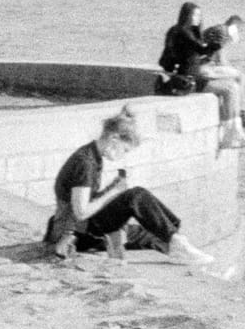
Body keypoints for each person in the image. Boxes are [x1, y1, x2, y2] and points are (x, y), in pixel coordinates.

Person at [45, 108, 213, 267]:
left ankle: (177, 245)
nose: (122, 156)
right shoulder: (85, 163)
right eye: (124, 150)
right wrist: (114, 191)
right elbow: (80, 212)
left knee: (151, 233)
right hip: (75, 234)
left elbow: (85, 202)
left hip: (81, 227)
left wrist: (111, 189)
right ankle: (178, 244)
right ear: (114, 139)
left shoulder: (92, 156)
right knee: (136, 196)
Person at [194, 13, 245, 149]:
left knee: (233, 77)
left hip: (203, 65)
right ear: (234, 26)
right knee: (240, 77)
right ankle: (239, 111)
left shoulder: (219, 29)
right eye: (239, 30)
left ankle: (237, 111)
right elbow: (220, 59)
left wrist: (228, 69)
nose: (239, 34)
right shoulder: (223, 32)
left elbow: (219, 58)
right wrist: (231, 70)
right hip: (203, 68)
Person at [156, 2, 210, 94]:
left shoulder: (182, 30)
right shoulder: (185, 33)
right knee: (230, 87)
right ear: (187, 15)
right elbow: (202, 51)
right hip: (187, 78)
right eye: (195, 15)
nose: (198, 18)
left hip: (190, 73)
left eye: (199, 15)